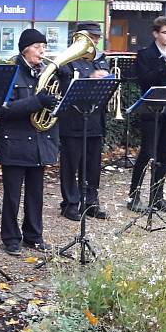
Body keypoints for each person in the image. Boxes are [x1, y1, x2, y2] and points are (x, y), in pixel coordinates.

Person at [0, 29, 59, 256]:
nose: (42, 51)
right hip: (15, 141)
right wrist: (37, 102)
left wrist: (53, 103)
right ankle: (11, 238)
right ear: (25, 49)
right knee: (12, 195)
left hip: (39, 142)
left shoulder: (46, 74)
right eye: (37, 46)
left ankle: (34, 235)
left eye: (44, 46)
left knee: (36, 193)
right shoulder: (11, 72)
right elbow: (4, 110)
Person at [127, 16, 166, 214]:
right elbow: (144, 80)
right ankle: (134, 196)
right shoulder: (145, 54)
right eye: (165, 33)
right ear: (155, 33)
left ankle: (157, 196)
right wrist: (165, 67)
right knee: (147, 153)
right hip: (152, 111)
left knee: (164, 155)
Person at [56, 21, 111, 221]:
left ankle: (91, 201)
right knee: (71, 164)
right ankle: (70, 203)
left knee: (93, 165)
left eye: (97, 37)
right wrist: (91, 76)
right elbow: (64, 87)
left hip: (95, 119)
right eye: (92, 37)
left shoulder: (101, 59)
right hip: (73, 120)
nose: (95, 41)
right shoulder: (67, 60)